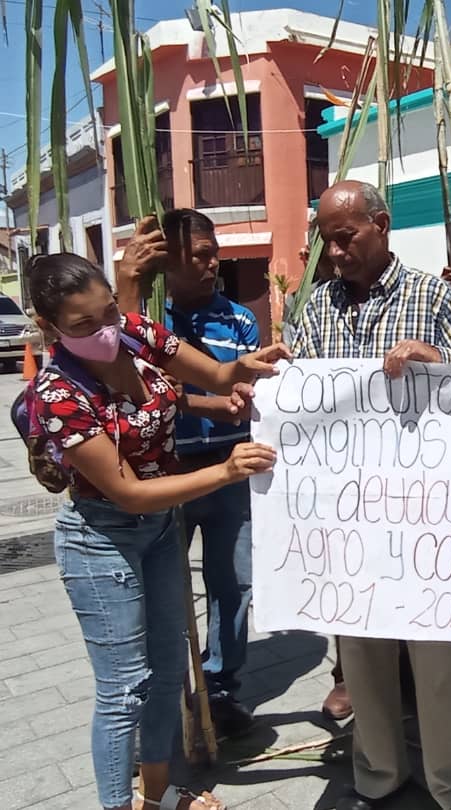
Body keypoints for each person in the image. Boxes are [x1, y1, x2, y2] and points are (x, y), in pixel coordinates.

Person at [28, 252, 289, 810]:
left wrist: (247, 366)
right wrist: (222, 471)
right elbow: (128, 491)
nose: (103, 331)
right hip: (101, 541)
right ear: (49, 328)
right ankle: (117, 804)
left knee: (169, 672)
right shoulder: (56, 396)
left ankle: (159, 793)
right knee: (125, 689)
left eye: (107, 314)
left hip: (159, 533)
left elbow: (216, 374)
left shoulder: (134, 330)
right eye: (82, 326)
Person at [291, 179, 451, 810]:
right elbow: (299, 391)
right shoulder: (316, 306)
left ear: (380, 226)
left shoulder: (432, 294)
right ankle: (377, 772)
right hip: (348, 516)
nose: (335, 251)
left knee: (436, 659)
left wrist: (436, 359)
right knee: (363, 650)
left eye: (345, 237)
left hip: (428, 513)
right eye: (326, 239)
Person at [117, 209, 263, 739]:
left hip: (232, 473)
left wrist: (246, 400)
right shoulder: (146, 323)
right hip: (169, 474)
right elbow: (141, 388)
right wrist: (211, 403)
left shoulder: (241, 321)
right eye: (197, 256)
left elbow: (243, 385)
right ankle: (173, 693)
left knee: (236, 583)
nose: (211, 264)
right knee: (169, 589)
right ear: (169, 264)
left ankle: (221, 690)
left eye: (212, 252)